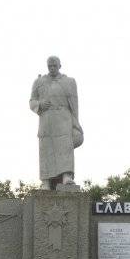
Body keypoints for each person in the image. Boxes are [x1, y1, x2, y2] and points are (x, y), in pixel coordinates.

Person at [30, 56, 83, 190]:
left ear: (60, 66)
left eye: (54, 66)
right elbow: (32, 101)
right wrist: (40, 104)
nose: (52, 68)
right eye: (50, 66)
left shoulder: (69, 82)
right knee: (46, 150)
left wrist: (76, 125)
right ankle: (46, 181)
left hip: (64, 120)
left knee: (65, 147)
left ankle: (67, 176)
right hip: (46, 121)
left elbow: (74, 105)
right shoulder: (39, 82)